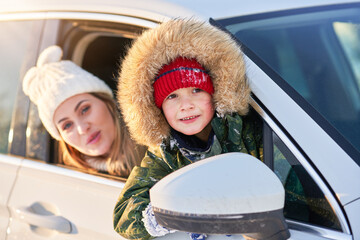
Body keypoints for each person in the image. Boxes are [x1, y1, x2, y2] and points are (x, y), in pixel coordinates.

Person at [113, 18, 263, 239]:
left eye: (196, 90)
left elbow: (289, 195)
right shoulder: (165, 153)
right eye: (172, 96)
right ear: (158, 109)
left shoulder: (247, 134)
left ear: (215, 92)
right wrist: (174, 210)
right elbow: (124, 215)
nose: (186, 105)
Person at [22, 45, 146, 177]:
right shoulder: (72, 183)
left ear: (107, 102)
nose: (82, 128)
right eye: (67, 125)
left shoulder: (159, 146)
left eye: (85, 109)